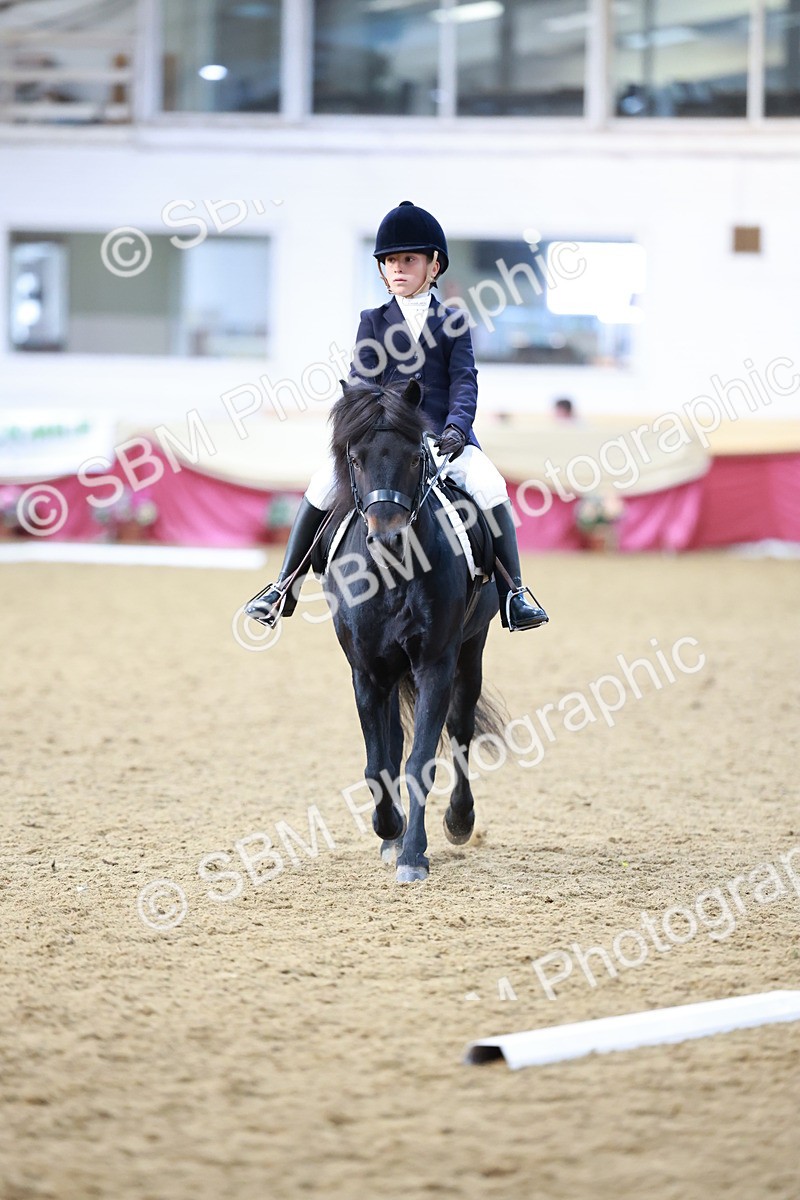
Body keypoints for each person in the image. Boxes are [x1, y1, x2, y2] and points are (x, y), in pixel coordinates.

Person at [246, 200, 548, 633]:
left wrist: (457, 430)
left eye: (409, 259)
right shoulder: (373, 321)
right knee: (319, 486)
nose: (399, 268)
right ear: (382, 271)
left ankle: (514, 593)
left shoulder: (454, 322)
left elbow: (465, 383)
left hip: (446, 442)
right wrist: (365, 423)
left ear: (434, 265)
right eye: (390, 261)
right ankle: (282, 587)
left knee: (490, 486)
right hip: (386, 442)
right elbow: (362, 381)